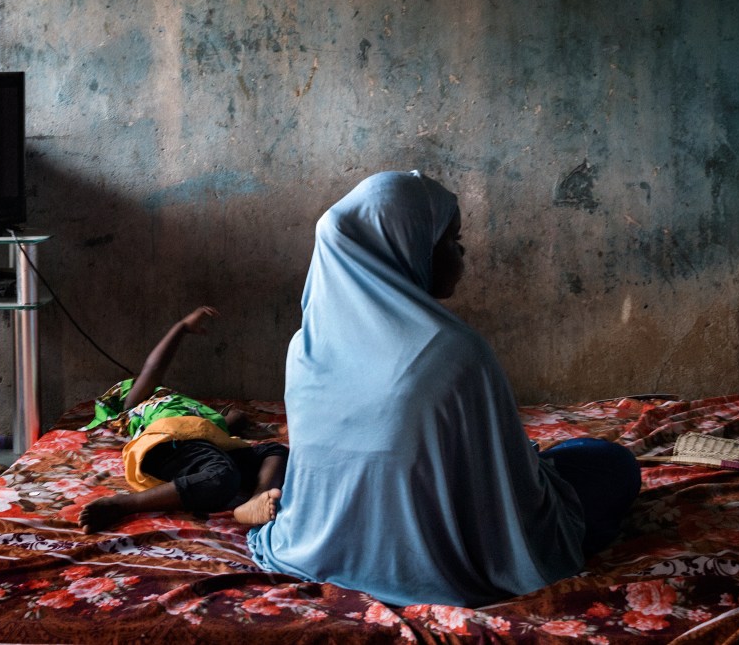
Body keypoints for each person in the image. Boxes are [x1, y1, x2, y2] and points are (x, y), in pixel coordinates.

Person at [246, 170, 642, 607]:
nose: (462, 250)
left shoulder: (304, 348)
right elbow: (509, 491)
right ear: (408, 248)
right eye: (451, 239)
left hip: (318, 544)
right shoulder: (454, 353)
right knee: (608, 462)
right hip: (440, 557)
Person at [79, 306, 288, 533]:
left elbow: (228, 423)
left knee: (274, 451)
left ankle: (257, 498)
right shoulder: (141, 405)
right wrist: (181, 328)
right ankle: (122, 504)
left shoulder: (199, 417)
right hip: (168, 442)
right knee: (222, 475)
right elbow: (154, 367)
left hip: (202, 446)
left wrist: (245, 422)